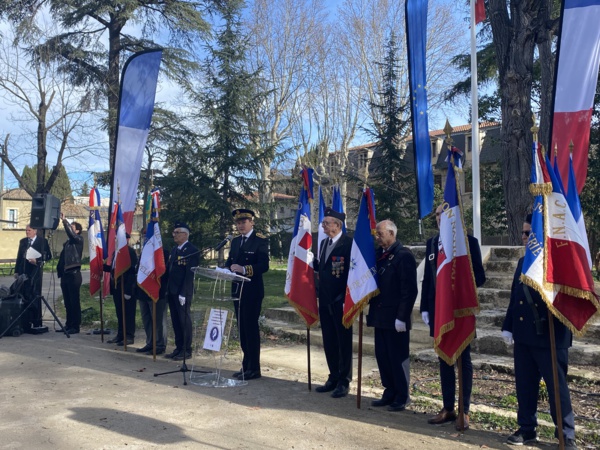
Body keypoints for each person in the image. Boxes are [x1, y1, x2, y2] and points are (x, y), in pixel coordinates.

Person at [502, 214, 577, 449]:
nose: (523, 237)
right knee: (525, 386)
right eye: (523, 233)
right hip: (524, 335)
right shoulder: (524, 262)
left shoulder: (560, 264)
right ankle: (526, 429)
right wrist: (508, 326)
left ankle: (566, 434)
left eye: (527, 233)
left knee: (557, 389)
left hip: (550, 336)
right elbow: (516, 297)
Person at [420, 203, 486, 430]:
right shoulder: (431, 243)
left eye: (444, 215)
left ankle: (464, 411)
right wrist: (425, 308)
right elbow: (429, 280)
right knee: (443, 359)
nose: (439, 219)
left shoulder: (469, 243)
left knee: (463, 360)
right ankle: (448, 407)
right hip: (439, 311)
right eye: (437, 215)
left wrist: (460, 287)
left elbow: (480, 276)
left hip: (460, 311)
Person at [367, 219, 418, 411]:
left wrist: (402, 317)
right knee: (383, 356)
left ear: (391, 233)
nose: (377, 238)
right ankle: (389, 391)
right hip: (380, 315)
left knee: (397, 357)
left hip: (396, 318)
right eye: (376, 234)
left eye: (380, 234)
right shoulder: (379, 255)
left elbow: (409, 290)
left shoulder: (403, 256)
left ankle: (402, 395)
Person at [314, 207, 353, 398]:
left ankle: (344, 380)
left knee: (343, 341)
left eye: (326, 222)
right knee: (329, 340)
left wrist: (348, 299)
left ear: (337, 225)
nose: (323, 225)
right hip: (325, 300)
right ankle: (333, 376)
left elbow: (351, 273)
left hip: (341, 301)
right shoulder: (323, 243)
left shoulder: (348, 244)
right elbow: (325, 269)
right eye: (323, 222)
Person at [226, 209, 270, 380]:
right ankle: (246, 365)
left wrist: (244, 269)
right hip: (237, 290)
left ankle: (255, 368)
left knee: (250, 328)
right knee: (242, 329)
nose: (240, 225)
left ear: (252, 222)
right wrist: (225, 269)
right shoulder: (236, 241)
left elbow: (263, 265)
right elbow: (231, 261)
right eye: (238, 223)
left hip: (252, 291)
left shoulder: (260, 241)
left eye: (243, 222)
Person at [165, 222, 199, 361]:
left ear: (185, 234)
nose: (174, 235)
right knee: (175, 320)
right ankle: (178, 347)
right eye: (174, 233)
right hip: (172, 290)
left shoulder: (192, 250)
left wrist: (184, 293)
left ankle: (186, 349)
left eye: (177, 232)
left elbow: (189, 274)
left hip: (182, 291)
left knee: (184, 320)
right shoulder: (175, 250)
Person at [15, 223, 52, 327]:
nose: (27, 232)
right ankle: (25, 322)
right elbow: (19, 257)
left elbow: (48, 256)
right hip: (24, 272)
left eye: (29, 230)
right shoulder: (23, 242)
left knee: (34, 296)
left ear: (35, 231)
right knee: (24, 295)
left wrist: (38, 260)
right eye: (26, 230)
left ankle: (36, 321)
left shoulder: (42, 241)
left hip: (35, 272)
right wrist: (16, 271)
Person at [105, 233, 138, 346]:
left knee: (128, 313)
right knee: (119, 312)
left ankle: (129, 336)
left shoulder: (130, 252)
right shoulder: (115, 253)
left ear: (127, 240)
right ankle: (120, 334)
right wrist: (103, 267)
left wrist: (129, 290)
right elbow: (115, 269)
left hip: (127, 287)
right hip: (117, 287)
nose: (116, 241)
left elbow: (132, 272)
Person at [137, 247, 170, 355]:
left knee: (158, 320)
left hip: (157, 291)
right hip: (143, 292)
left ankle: (160, 345)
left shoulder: (162, 252)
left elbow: (163, 271)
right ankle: (150, 342)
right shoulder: (144, 251)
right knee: (147, 319)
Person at [56, 214, 84, 334]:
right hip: (66, 274)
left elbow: (71, 234)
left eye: (73, 228)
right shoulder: (68, 244)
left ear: (77, 231)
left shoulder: (78, 240)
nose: (70, 229)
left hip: (74, 274)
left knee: (74, 301)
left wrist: (65, 221)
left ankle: (75, 326)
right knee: (67, 301)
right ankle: (68, 324)